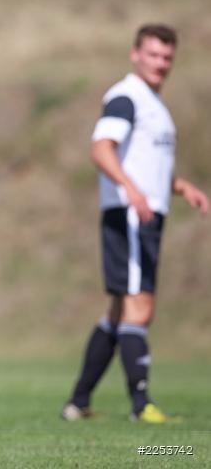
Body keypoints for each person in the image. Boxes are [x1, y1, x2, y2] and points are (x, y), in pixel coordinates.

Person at [61, 24, 208, 423]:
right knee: (139, 309)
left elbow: (143, 161)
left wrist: (179, 186)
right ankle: (141, 407)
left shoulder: (153, 104)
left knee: (117, 313)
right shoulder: (127, 97)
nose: (161, 63)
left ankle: (78, 403)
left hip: (144, 212)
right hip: (130, 215)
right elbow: (101, 148)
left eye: (167, 57)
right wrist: (133, 190)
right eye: (154, 54)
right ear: (135, 54)